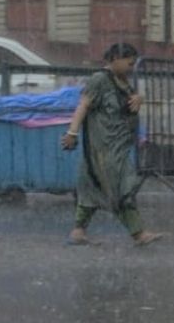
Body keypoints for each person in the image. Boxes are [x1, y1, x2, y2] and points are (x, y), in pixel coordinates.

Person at [60, 43, 163, 247]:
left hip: (118, 147)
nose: (131, 67)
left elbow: (127, 106)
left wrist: (139, 99)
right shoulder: (100, 80)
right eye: (129, 63)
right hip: (103, 149)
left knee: (93, 187)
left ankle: (78, 231)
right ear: (115, 59)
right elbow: (83, 105)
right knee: (122, 187)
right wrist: (72, 132)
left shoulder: (122, 81)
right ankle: (138, 233)